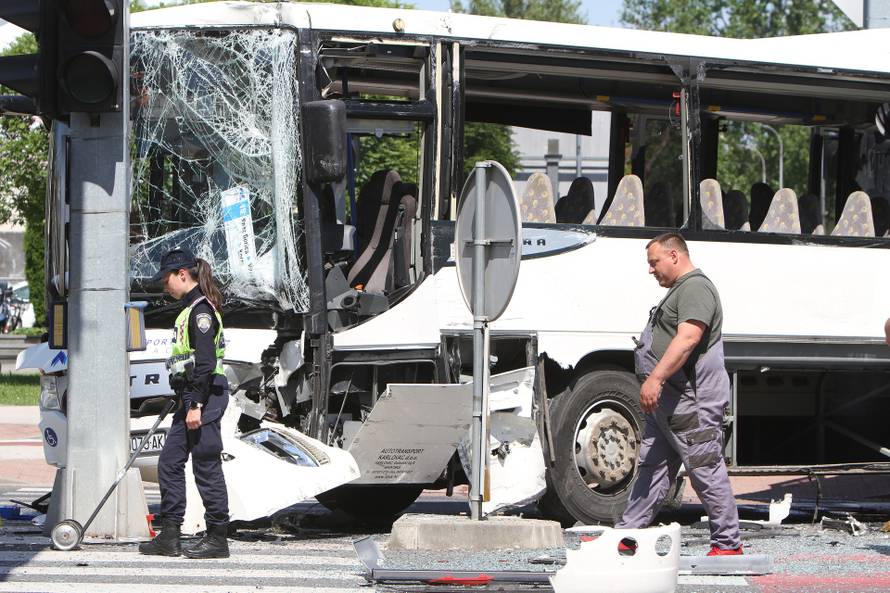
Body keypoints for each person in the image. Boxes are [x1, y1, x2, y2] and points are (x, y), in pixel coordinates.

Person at [615, 233, 742, 556]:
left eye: (654, 262)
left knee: (704, 466)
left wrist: (655, 378)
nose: (650, 270)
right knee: (652, 468)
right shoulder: (680, 291)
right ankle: (627, 538)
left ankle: (728, 543)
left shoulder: (696, 288)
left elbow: (687, 338)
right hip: (669, 403)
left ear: (674, 256)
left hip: (689, 400)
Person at [139, 248, 230, 559]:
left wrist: (196, 405)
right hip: (191, 397)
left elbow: (205, 364)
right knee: (170, 462)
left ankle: (218, 538)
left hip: (206, 397)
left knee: (205, 465)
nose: (165, 285)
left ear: (182, 274)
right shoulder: (188, 310)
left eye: (167, 279)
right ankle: (170, 535)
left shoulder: (201, 312)